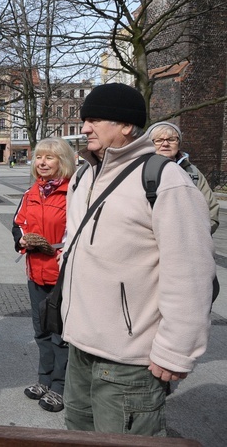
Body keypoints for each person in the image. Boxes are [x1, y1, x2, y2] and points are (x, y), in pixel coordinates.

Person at [61, 83, 214, 435]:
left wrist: (176, 351)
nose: (84, 128)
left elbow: (190, 273)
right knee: (75, 437)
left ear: (127, 125)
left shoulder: (164, 179)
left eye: (95, 119)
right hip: (79, 348)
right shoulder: (84, 175)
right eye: (85, 120)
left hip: (129, 359)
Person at [12, 137, 76, 413]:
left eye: (49, 158)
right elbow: (18, 224)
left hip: (62, 273)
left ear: (62, 162)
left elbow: (79, 230)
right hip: (35, 271)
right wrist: (23, 241)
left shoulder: (73, 192)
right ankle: (44, 380)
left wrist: (66, 250)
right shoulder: (31, 193)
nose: (42, 163)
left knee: (59, 333)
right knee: (40, 331)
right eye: (39, 157)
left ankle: (60, 387)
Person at [148, 122, 219, 234]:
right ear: (149, 144)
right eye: (158, 140)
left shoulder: (193, 172)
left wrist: (197, 235)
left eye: (171, 139)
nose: (165, 144)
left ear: (179, 143)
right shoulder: (140, 170)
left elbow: (211, 211)